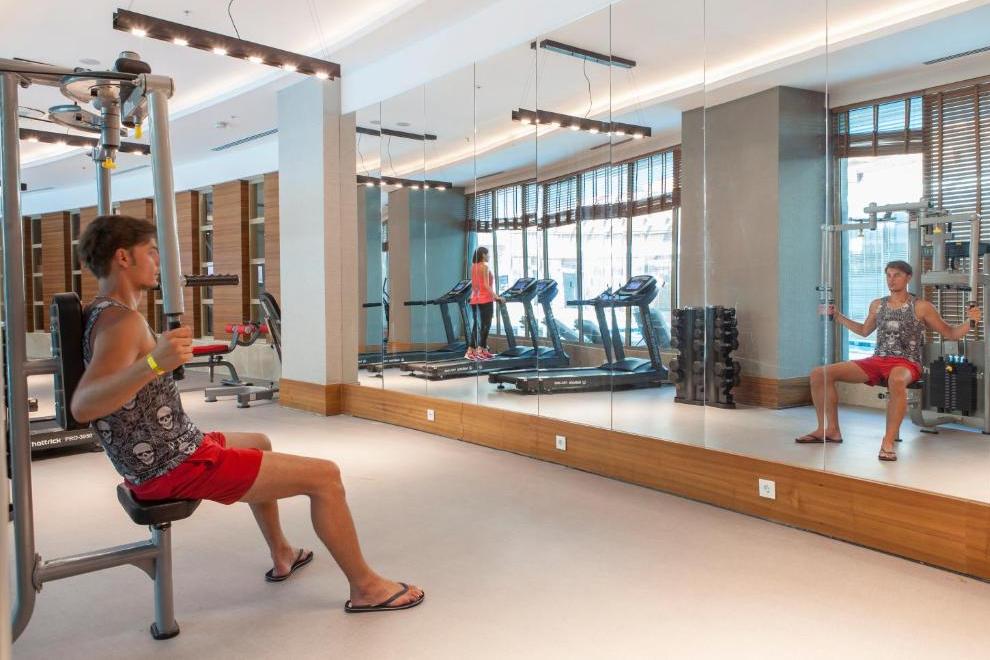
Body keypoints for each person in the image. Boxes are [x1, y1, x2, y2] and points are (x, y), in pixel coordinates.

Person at [71, 215, 424, 613]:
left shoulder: (103, 311)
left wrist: (155, 361)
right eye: (150, 252)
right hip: (172, 466)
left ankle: (282, 552)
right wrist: (155, 362)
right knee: (326, 477)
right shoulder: (123, 321)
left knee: (259, 442)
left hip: (170, 451)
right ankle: (367, 588)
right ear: (123, 257)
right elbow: (84, 405)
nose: (157, 261)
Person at [796, 260, 981, 461]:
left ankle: (888, 442)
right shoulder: (877, 305)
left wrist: (971, 321)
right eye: (888, 275)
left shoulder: (921, 307)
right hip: (878, 360)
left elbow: (951, 333)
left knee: (897, 379)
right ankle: (830, 430)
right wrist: (838, 317)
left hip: (907, 362)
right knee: (819, 374)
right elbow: (864, 331)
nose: (891, 280)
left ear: (908, 277)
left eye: (897, 275)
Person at [466, 246, 502, 361]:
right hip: (485, 299)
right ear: (483, 255)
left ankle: (472, 350)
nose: (489, 256)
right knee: (486, 325)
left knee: (477, 325)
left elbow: (475, 285)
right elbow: (486, 285)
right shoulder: (485, 266)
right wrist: (496, 296)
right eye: (488, 254)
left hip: (475, 299)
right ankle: (481, 349)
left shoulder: (473, 267)